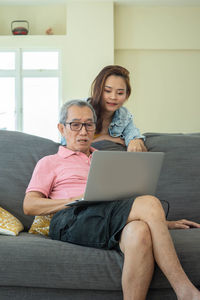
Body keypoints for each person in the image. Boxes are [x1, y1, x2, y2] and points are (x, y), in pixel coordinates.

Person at [23, 100, 200, 300]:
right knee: (150, 202)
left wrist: (160, 222)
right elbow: (29, 206)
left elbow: (122, 204)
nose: (83, 131)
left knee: (139, 232)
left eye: (89, 124)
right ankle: (185, 291)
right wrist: (75, 199)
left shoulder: (106, 159)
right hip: (70, 218)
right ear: (61, 128)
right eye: (75, 124)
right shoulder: (49, 162)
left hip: (107, 216)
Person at [88, 65, 147, 152]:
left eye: (120, 93)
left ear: (126, 95)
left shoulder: (124, 115)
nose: (113, 97)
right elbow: (67, 143)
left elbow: (133, 134)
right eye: (107, 91)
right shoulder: (82, 109)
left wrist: (136, 141)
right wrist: (105, 138)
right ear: (98, 90)